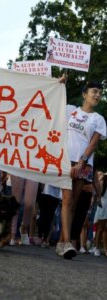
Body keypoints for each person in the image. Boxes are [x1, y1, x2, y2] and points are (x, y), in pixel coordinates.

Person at [56, 78, 107, 259]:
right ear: (84, 94)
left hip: (83, 164)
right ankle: (67, 242)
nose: (97, 95)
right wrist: (60, 82)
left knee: (74, 204)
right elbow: (55, 99)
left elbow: (93, 144)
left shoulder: (98, 119)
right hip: (65, 161)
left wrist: (81, 162)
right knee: (67, 200)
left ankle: (63, 242)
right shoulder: (71, 111)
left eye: (100, 93)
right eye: (94, 92)